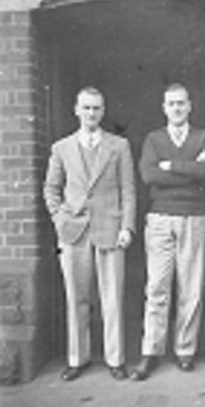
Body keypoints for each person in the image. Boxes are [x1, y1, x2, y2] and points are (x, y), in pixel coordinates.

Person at [43, 86, 136, 382]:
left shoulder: (119, 146)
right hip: (74, 232)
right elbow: (51, 188)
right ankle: (77, 357)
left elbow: (128, 190)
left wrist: (127, 227)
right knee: (77, 297)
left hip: (110, 228)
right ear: (76, 110)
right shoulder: (62, 148)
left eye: (96, 108)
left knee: (112, 298)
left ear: (103, 110)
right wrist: (59, 218)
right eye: (86, 108)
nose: (91, 113)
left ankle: (115, 358)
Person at [131, 83, 205, 380]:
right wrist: (190, 168)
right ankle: (151, 352)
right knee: (157, 286)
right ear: (163, 107)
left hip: (194, 217)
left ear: (190, 106)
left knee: (191, 288)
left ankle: (185, 350)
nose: (177, 108)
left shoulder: (203, 137)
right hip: (159, 219)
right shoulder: (153, 139)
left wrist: (170, 166)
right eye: (171, 103)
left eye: (181, 103)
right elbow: (148, 174)